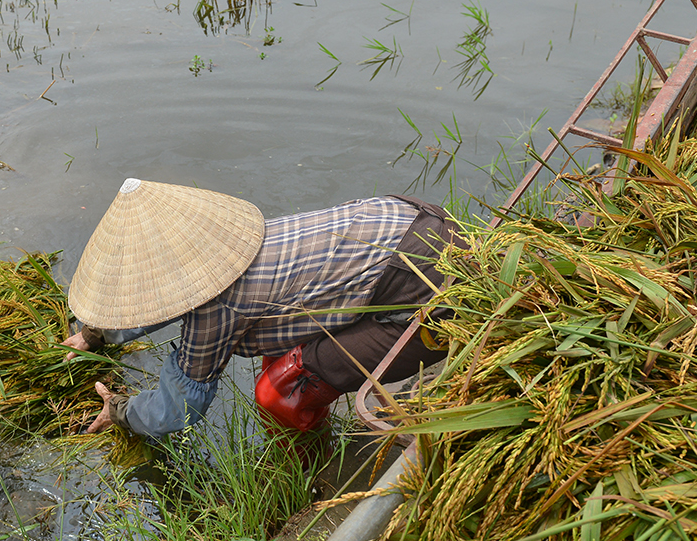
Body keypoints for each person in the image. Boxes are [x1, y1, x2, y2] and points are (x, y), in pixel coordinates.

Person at [63, 179, 461, 439]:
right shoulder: (235, 240)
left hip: (438, 297)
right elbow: (158, 294)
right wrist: (94, 334)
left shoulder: (215, 312)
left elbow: (176, 411)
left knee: (278, 391)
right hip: (418, 220)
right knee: (278, 350)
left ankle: (304, 470)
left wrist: (120, 411)